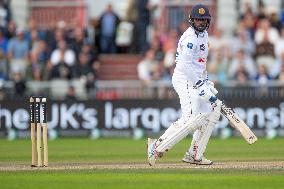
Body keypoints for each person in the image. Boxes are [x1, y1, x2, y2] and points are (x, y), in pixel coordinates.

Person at [147, 4, 221, 166]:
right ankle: (157, 146)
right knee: (193, 119)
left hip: (197, 79)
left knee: (212, 113)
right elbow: (183, 65)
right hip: (185, 79)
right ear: (191, 20)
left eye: (204, 20)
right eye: (198, 20)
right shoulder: (191, 38)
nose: (201, 23)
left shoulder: (204, 35)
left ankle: (195, 153)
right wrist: (200, 84)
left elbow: (200, 62)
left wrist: (206, 80)